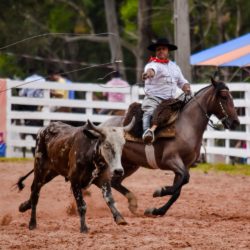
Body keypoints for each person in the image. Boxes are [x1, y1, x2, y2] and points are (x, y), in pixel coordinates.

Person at [141, 38, 191, 144]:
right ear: (155, 52)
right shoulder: (152, 64)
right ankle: (147, 132)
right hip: (154, 97)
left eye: (163, 49)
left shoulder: (175, 67)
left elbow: (181, 81)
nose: (161, 51)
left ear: (168, 51)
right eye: (158, 49)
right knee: (149, 111)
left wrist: (186, 86)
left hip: (171, 100)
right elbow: (151, 71)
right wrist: (148, 74)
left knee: (188, 107)